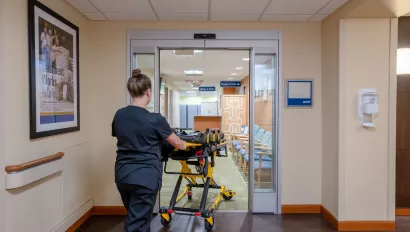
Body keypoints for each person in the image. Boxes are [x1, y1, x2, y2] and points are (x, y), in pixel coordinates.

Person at [111, 69, 187, 232]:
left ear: (131, 91)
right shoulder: (155, 119)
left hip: (122, 176)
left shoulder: (119, 115)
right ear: (148, 92)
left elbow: (123, 137)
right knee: (137, 223)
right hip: (144, 178)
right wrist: (185, 145)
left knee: (135, 217)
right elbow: (178, 143)